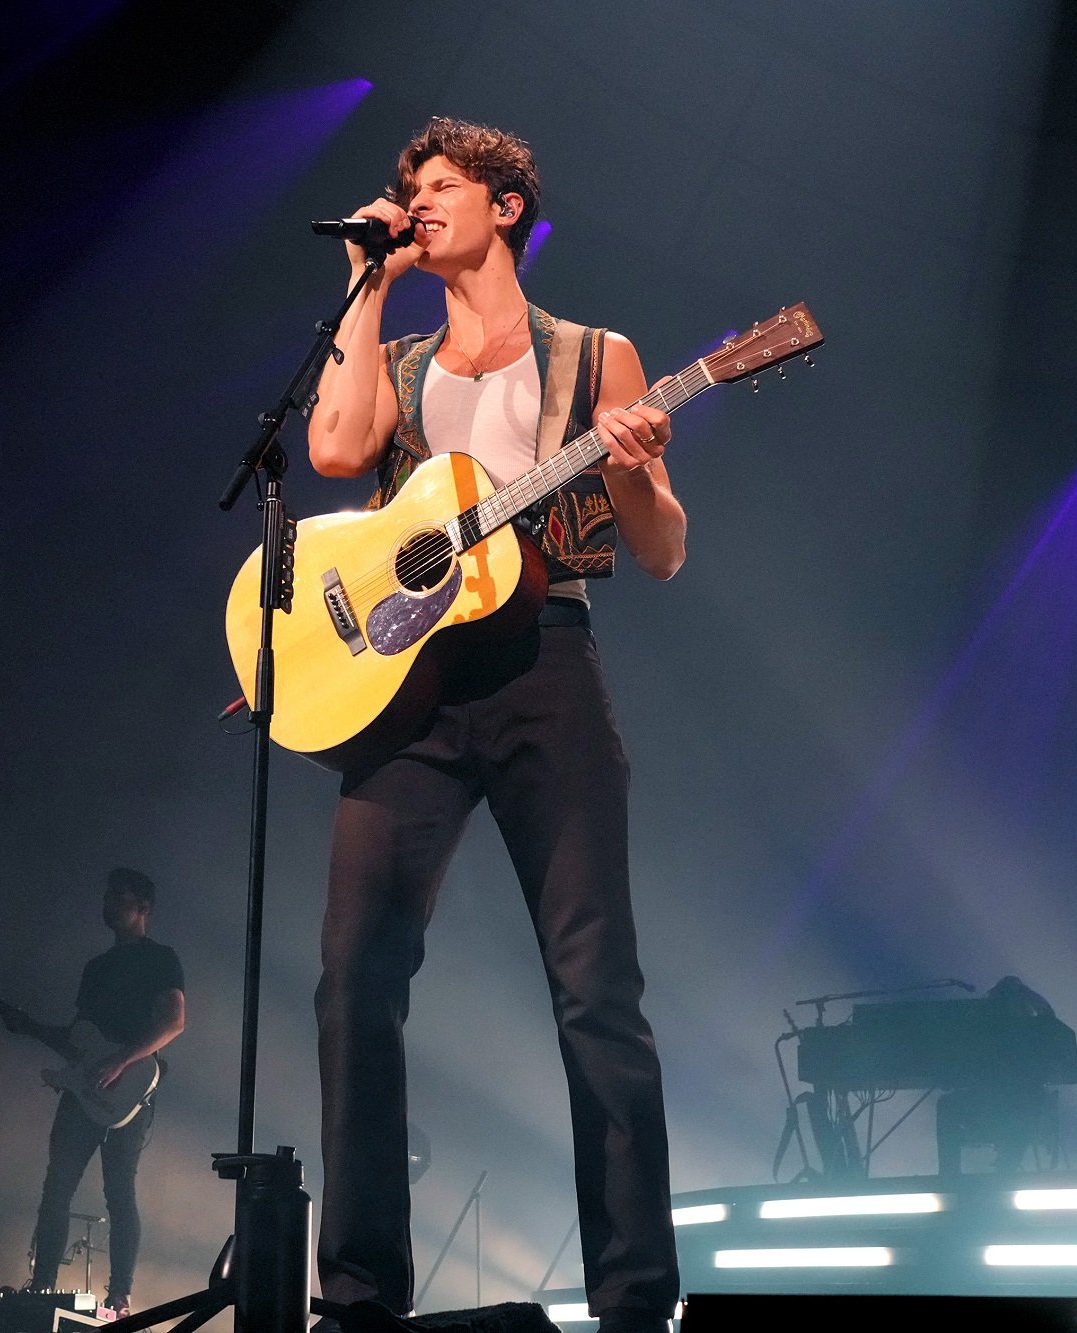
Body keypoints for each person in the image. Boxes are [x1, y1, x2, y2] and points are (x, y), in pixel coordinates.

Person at [304, 117, 685, 1333]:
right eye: (405, 192)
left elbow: (662, 550)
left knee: (594, 987)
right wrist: (364, 285)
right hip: (406, 690)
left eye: (435, 190)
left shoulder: (595, 357)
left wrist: (631, 466)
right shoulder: (401, 358)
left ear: (502, 208)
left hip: (543, 666)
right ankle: (357, 1297)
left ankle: (632, 1300)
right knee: (353, 980)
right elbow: (331, 449)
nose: (413, 206)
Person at [25, 868, 187, 1318]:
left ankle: (120, 1297)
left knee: (119, 1192)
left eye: (120, 895)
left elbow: (174, 1021)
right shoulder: (95, 968)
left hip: (130, 1094)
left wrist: (122, 1061)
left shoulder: (160, 958)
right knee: (56, 1186)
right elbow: (81, 1038)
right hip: (84, 1091)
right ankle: (42, 1287)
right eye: (108, 894)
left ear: (143, 908)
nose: (109, 901)